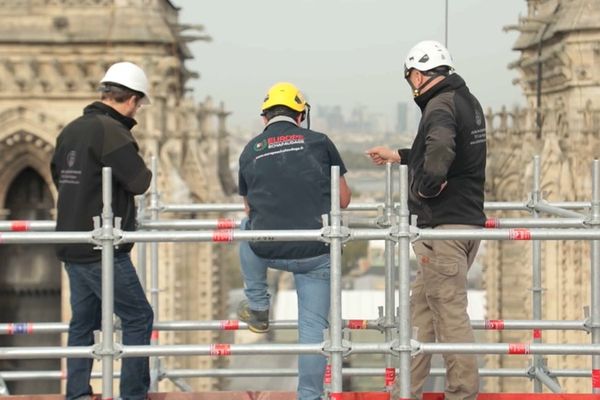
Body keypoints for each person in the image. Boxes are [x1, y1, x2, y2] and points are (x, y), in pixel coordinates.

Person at [367, 40, 486, 400]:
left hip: (445, 227)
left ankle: (462, 394)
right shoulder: (465, 101)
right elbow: (446, 151)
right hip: (462, 223)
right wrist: (401, 156)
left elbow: (439, 152)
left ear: (418, 74)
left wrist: (426, 188)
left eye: (410, 78)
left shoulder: (439, 106)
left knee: (449, 316)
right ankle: (405, 391)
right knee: (421, 312)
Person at [237, 82, 352, 400]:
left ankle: (259, 305)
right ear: (301, 115)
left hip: (268, 247)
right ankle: (309, 396)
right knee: (312, 330)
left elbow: (250, 209)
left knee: (244, 226)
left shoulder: (250, 150)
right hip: (315, 250)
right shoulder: (319, 142)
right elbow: (342, 199)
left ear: (265, 119)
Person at [50, 61, 154, 400]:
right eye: (138, 103)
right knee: (138, 316)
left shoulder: (71, 129)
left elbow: (58, 178)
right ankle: (133, 394)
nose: (137, 109)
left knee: (84, 321)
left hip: (71, 242)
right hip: (102, 247)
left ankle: (77, 392)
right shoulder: (111, 131)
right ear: (131, 99)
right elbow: (139, 182)